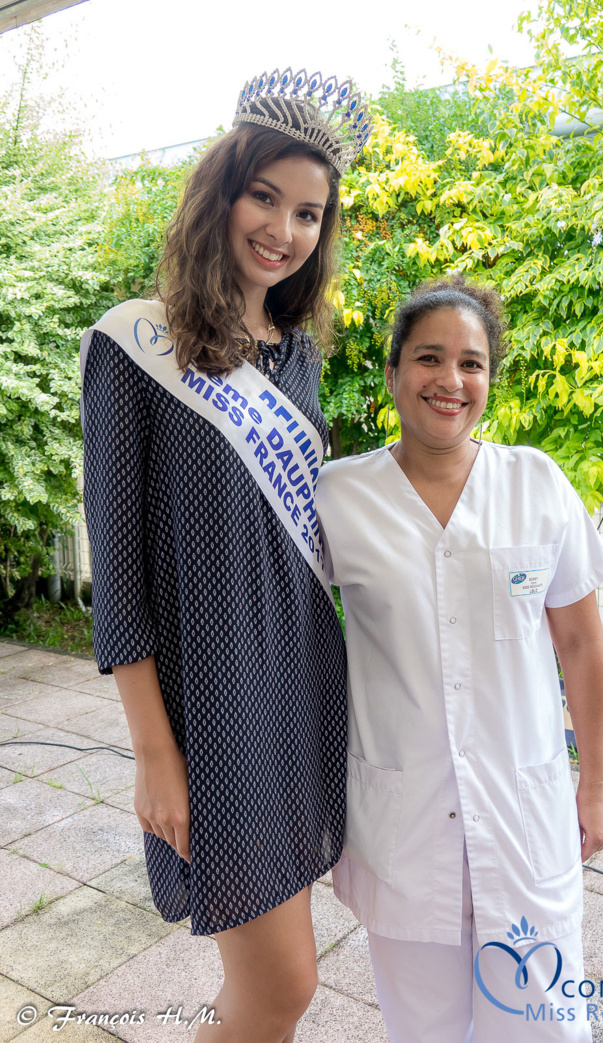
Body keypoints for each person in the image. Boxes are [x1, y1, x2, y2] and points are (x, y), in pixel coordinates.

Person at [81, 70, 370, 1043]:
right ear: (220, 192)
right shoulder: (134, 343)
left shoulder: (298, 353)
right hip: (212, 708)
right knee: (281, 985)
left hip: (298, 684)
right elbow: (120, 578)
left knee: (277, 982)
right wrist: (155, 755)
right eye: (264, 196)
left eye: (307, 213)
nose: (283, 229)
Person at [315, 274, 603, 1042]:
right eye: (428, 358)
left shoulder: (535, 482)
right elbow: (283, 633)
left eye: (470, 363)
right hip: (405, 825)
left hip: (524, 818)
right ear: (392, 373)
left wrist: (594, 784)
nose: (449, 379)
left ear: (488, 378)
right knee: (423, 1030)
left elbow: (580, 644)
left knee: (545, 1026)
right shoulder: (338, 496)